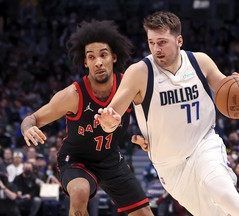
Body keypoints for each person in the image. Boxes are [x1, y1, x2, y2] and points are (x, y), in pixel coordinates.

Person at [95, 11, 239, 216]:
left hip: (204, 145)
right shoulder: (139, 73)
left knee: (224, 193)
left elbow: (229, 90)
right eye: (151, 42)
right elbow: (110, 117)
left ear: (179, 40)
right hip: (170, 166)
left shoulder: (200, 62)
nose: (157, 49)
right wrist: (109, 123)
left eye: (162, 42)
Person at [20, 20, 153, 216]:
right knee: (80, 192)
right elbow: (31, 118)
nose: (98, 61)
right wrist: (28, 128)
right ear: (85, 62)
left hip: (111, 159)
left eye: (103, 55)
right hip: (76, 160)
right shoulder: (73, 95)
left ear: (114, 57)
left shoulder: (128, 85)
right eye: (91, 57)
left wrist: (142, 136)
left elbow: (147, 115)